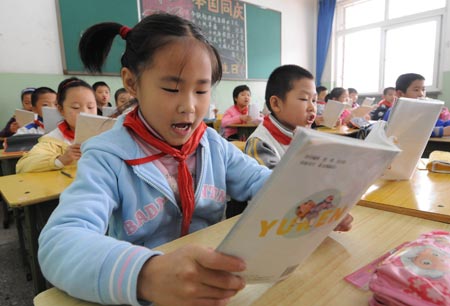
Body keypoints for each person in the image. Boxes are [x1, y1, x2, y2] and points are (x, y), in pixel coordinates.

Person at [38, 13, 272, 306]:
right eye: (172, 89)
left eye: (201, 90)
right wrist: (145, 275)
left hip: (209, 286)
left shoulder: (211, 144)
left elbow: (261, 181)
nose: (188, 106)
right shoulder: (106, 155)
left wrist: (305, 198)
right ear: (132, 83)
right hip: (143, 293)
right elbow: (59, 243)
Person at [16, 77, 97, 173]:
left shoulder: (107, 133)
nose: (85, 112)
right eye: (76, 107)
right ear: (61, 110)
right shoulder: (55, 140)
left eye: (90, 107)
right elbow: (22, 166)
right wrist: (60, 160)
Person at [383, 73, 450, 137]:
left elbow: (440, 124)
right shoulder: (395, 111)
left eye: (423, 90)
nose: (421, 94)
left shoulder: (423, 111)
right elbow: (410, 131)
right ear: (400, 94)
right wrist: (442, 131)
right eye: (416, 90)